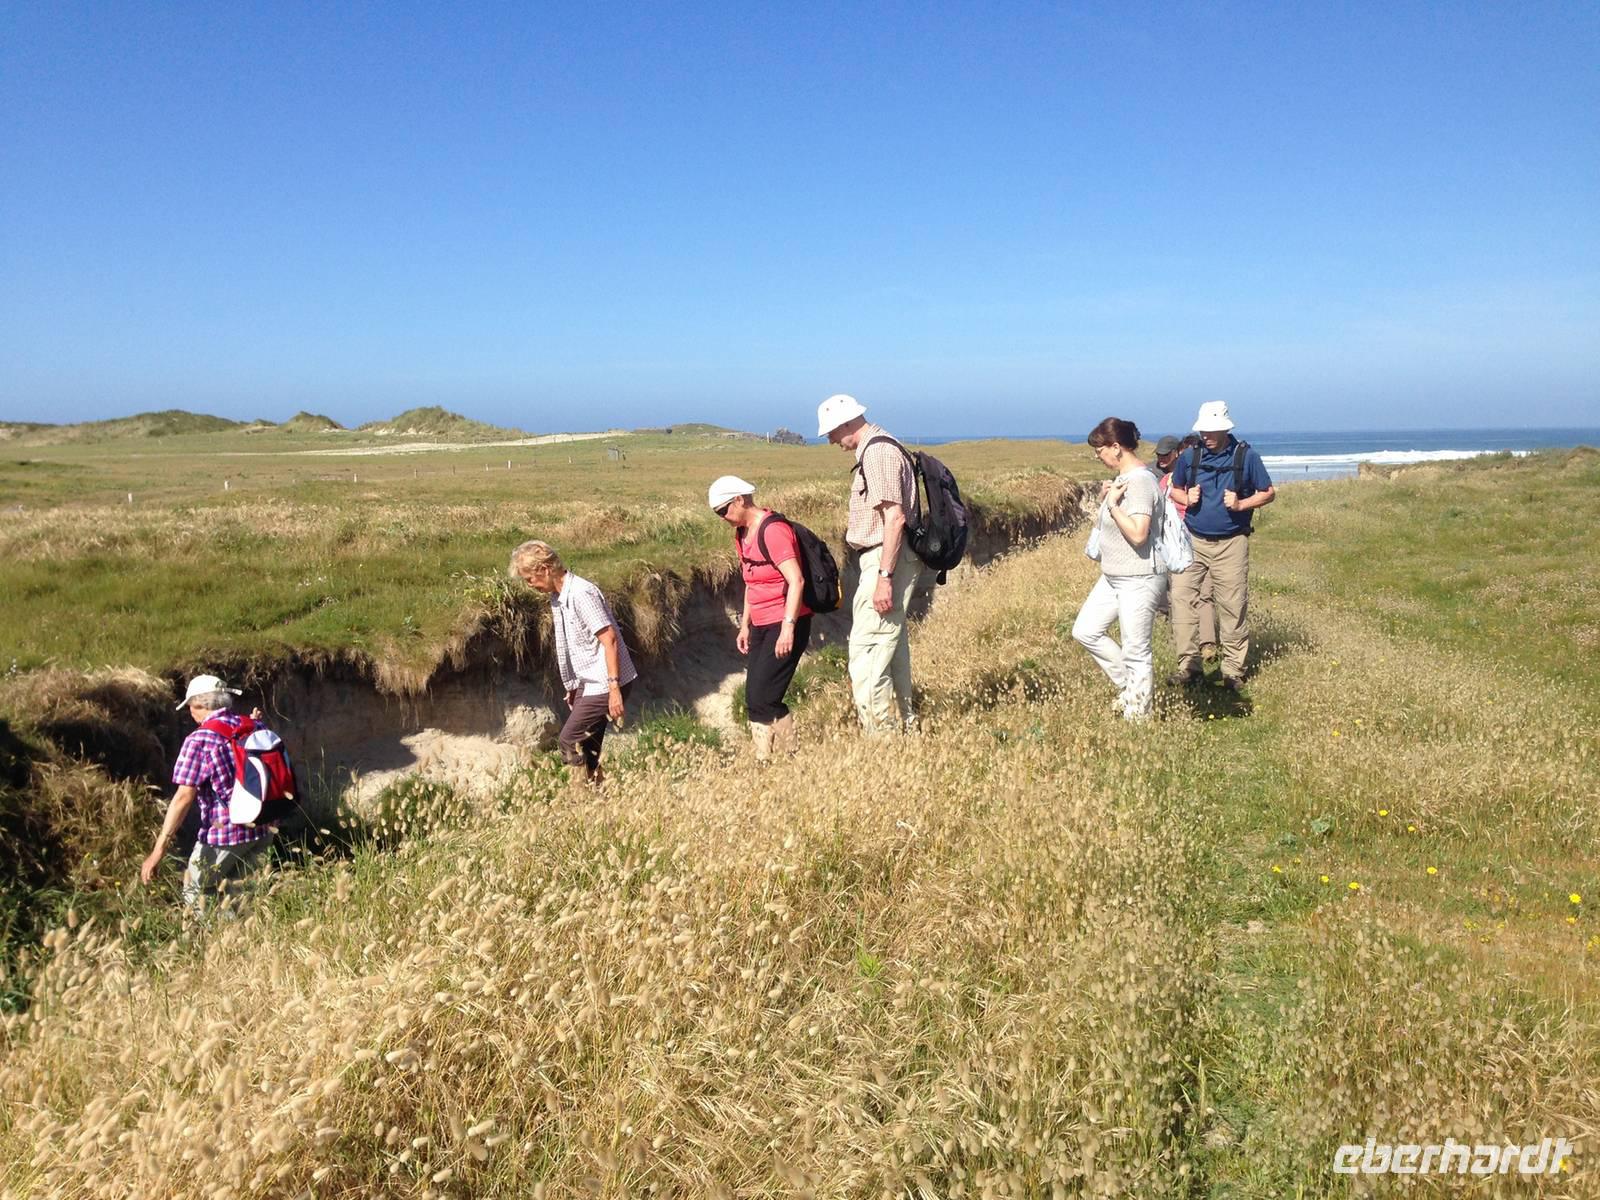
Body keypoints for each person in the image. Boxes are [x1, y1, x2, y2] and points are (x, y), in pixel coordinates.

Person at [816, 393, 922, 734]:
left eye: (832, 432)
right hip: (888, 557)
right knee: (891, 649)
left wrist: (884, 577)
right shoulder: (880, 447)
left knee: (868, 654)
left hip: (884, 557)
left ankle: (882, 739)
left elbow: (894, 518)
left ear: (847, 423)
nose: (831, 440)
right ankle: (906, 726)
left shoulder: (877, 452)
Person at [140, 674, 276, 913]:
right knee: (241, 902)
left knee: (197, 891)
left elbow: (184, 797)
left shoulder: (199, 739)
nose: (190, 713)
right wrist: (255, 723)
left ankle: (216, 937)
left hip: (227, 833)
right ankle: (239, 935)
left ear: (200, 704)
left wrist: (158, 850)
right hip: (264, 826)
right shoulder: (253, 725)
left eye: (190, 707)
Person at [1167, 401, 1276, 690]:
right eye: (1203, 429)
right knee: (1181, 601)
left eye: (1211, 430)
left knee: (1232, 605)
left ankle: (1232, 671)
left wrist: (1241, 504)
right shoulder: (1190, 456)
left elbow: (1268, 492)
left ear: (1225, 429)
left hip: (1232, 542)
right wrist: (1186, 498)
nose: (1206, 434)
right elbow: (1174, 489)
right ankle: (1189, 667)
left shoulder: (1247, 456)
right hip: (1192, 540)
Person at [510, 540, 638, 782]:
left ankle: (582, 788)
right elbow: (576, 644)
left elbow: (609, 638)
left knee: (568, 741)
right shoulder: (558, 597)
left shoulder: (581, 593)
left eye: (529, 579)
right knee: (589, 745)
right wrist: (573, 685)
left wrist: (614, 689)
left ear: (545, 569)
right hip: (589, 681)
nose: (530, 585)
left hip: (605, 681)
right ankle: (597, 791)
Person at [708, 475, 812, 760]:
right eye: (718, 514)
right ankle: (764, 759)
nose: (723, 518)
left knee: (766, 697)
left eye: (724, 510)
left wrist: (788, 629)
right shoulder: (742, 534)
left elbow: (797, 580)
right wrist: (745, 625)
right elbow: (751, 582)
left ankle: (792, 755)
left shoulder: (773, 531)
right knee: (754, 697)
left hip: (786, 621)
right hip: (761, 624)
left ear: (739, 500)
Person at [1071, 418, 1166, 720]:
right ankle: (1130, 688)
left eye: (1099, 450)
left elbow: (1138, 534)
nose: (1097, 456)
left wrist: (1112, 506)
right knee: (1085, 630)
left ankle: (1138, 717)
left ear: (1116, 447)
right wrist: (1106, 501)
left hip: (1139, 576)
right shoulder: (1124, 480)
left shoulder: (1141, 481)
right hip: (1113, 575)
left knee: (1136, 650)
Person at [1153, 434, 1217, 660]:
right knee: (1179, 594)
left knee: (1203, 593)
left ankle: (1207, 644)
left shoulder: (1202, 478)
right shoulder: (1167, 480)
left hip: (1197, 538)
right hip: (1175, 543)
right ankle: (1187, 644)